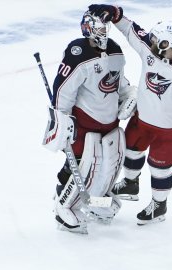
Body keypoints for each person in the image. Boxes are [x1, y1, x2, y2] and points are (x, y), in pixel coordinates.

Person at [87, 4, 172, 225]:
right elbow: (131, 30)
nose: (152, 43)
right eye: (153, 39)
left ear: (169, 44)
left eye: (158, 42)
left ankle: (159, 206)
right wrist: (115, 13)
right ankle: (130, 182)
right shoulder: (150, 47)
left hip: (169, 128)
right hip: (142, 118)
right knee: (130, 149)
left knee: (159, 167)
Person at [42, 11, 137, 234]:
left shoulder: (114, 49)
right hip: (84, 122)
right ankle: (63, 204)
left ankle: (97, 200)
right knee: (81, 165)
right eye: (99, 28)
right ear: (87, 28)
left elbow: (119, 82)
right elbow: (64, 90)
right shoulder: (78, 52)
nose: (103, 32)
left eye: (105, 28)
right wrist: (62, 120)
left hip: (109, 121)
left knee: (109, 164)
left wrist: (129, 94)